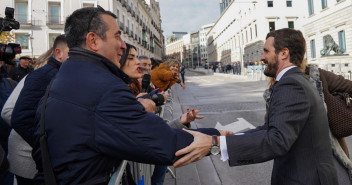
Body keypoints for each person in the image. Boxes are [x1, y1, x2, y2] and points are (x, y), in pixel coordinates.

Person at [31, 7, 221, 185]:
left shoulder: (63, 77)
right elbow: (163, 144)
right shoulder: (103, 88)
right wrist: (219, 139)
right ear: (93, 40)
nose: (122, 45)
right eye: (117, 36)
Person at [173, 28, 339, 185]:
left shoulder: (291, 84)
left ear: (284, 53)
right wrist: (225, 140)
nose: (262, 57)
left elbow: (277, 140)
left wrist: (215, 143)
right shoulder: (296, 80)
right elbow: (270, 129)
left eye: (266, 51)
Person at [1, 34, 69, 185]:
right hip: (27, 157)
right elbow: (9, 112)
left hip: (38, 156)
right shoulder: (37, 77)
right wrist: (42, 140)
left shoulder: (60, 76)